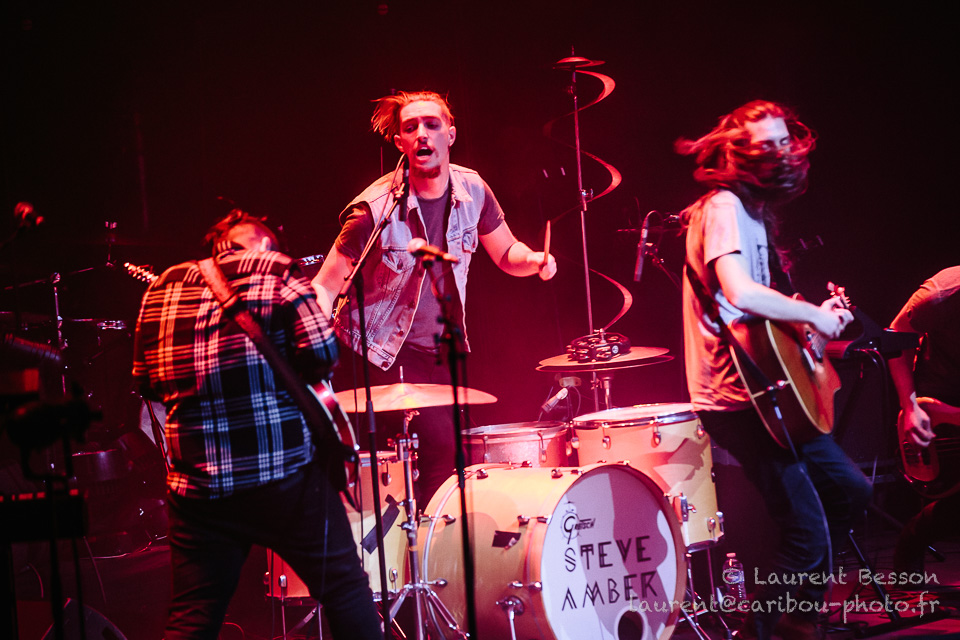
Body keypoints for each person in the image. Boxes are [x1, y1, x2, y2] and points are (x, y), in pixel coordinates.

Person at [132, 210, 382, 639]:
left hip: (199, 488)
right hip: (283, 476)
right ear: (264, 245)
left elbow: (146, 382)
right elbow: (323, 355)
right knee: (344, 591)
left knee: (193, 614)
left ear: (218, 246)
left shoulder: (163, 287)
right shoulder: (279, 274)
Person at [678, 100, 872, 640]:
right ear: (739, 152)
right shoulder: (723, 206)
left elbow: (758, 315)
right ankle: (769, 630)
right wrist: (812, 315)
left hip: (767, 387)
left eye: (785, 141)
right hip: (735, 397)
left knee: (850, 491)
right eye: (767, 145)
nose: (781, 153)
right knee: (805, 534)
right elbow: (739, 291)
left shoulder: (753, 212)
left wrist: (812, 323)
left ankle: (798, 619)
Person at [312, 91, 556, 503]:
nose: (422, 134)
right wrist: (312, 339)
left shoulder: (473, 190)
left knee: (450, 453)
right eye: (411, 128)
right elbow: (325, 284)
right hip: (376, 352)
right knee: (438, 450)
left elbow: (506, 253)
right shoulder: (374, 209)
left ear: (450, 135)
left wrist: (533, 260)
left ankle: (427, 534)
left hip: (439, 351)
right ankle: (422, 538)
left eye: (432, 124)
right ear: (400, 143)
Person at [888, 266, 960, 576]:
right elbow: (895, 338)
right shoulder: (942, 294)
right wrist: (910, 407)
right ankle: (913, 539)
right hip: (943, 399)